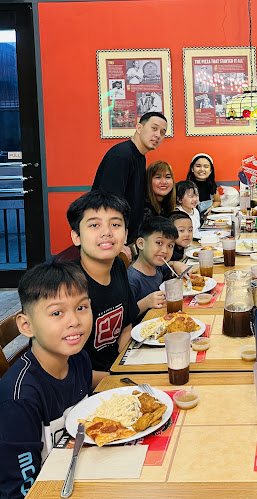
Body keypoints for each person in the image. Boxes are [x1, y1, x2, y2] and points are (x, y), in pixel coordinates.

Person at [0, 261, 92, 498]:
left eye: (82, 307)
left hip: (80, 470)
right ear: (26, 325)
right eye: (57, 313)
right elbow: (18, 491)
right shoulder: (20, 399)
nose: (75, 321)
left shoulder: (79, 359)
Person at [67, 190, 138, 386]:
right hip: (84, 389)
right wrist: (117, 379)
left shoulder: (117, 265)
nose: (107, 232)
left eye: (115, 224)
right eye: (94, 225)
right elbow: (62, 372)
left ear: (125, 235)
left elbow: (126, 326)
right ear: (76, 237)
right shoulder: (67, 288)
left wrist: (125, 365)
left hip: (115, 372)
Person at [92, 111, 167, 247]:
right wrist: (117, 241)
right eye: (154, 128)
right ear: (139, 128)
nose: (158, 135)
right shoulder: (121, 155)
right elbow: (108, 204)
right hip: (110, 239)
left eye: (163, 132)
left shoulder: (140, 157)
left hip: (129, 237)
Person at [127, 217, 187, 323]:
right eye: (159, 243)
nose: (165, 250)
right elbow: (125, 316)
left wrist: (175, 264)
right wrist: (146, 303)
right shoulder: (132, 279)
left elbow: (169, 269)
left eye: (170, 245)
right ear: (141, 244)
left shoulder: (157, 267)